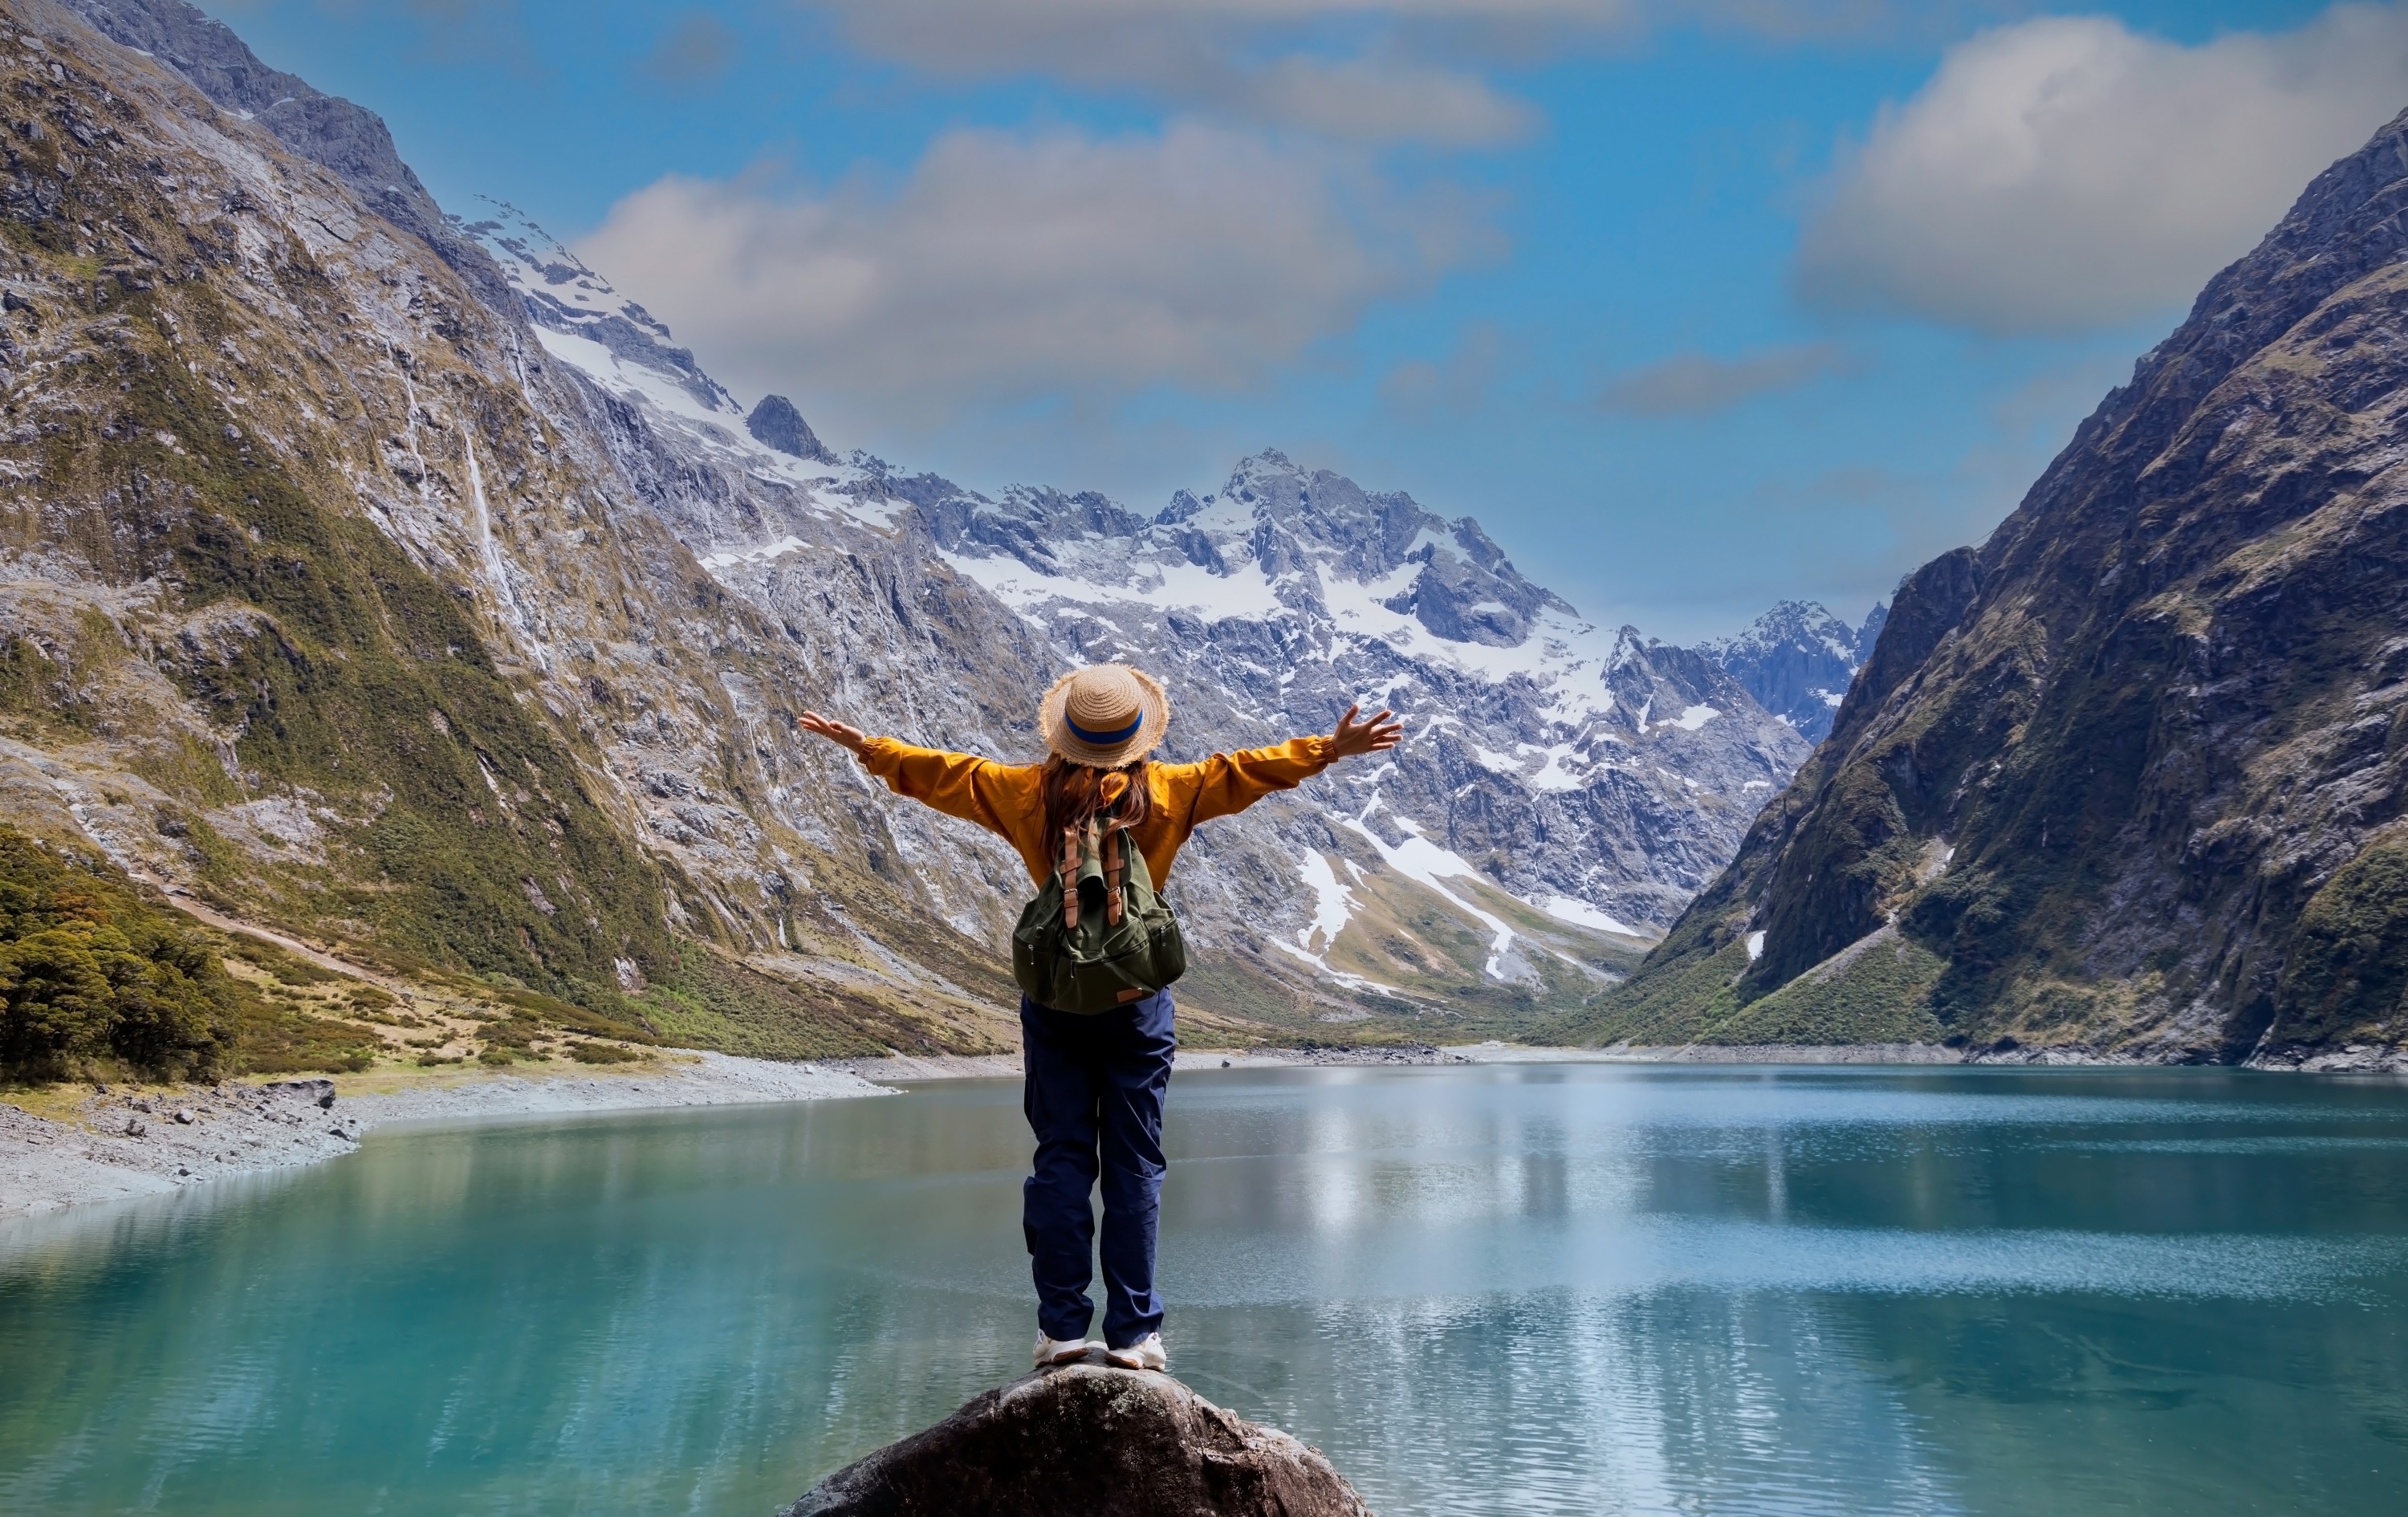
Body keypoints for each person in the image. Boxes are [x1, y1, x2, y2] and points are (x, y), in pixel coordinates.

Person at [796, 664, 1402, 1373]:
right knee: (1134, 1165)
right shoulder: (1171, 792)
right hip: (1138, 1006)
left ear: (1066, 737)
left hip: (1054, 1000)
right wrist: (1327, 750)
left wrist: (871, 749)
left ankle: (1061, 1331)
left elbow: (946, 775)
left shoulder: (1027, 794)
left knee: (1060, 1160)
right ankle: (1134, 1335)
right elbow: (1244, 771)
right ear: (1138, 739)